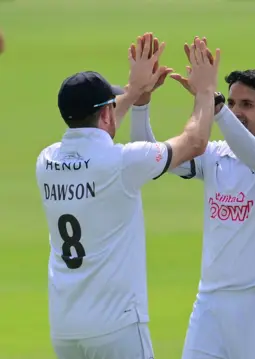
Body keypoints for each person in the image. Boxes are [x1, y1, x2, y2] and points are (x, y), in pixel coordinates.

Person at [35, 33, 220, 359]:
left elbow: (98, 128)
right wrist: (205, 92)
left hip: (65, 329)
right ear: (105, 114)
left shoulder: (46, 160)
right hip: (116, 327)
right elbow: (194, 142)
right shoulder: (122, 163)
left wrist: (134, 92)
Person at [130, 68, 255, 359]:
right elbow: (150, 159)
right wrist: (141, 103)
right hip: (211, 305)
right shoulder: (215, 154)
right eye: (233, 103)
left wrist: (216, 108)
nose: (236, 111)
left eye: (247, 105)